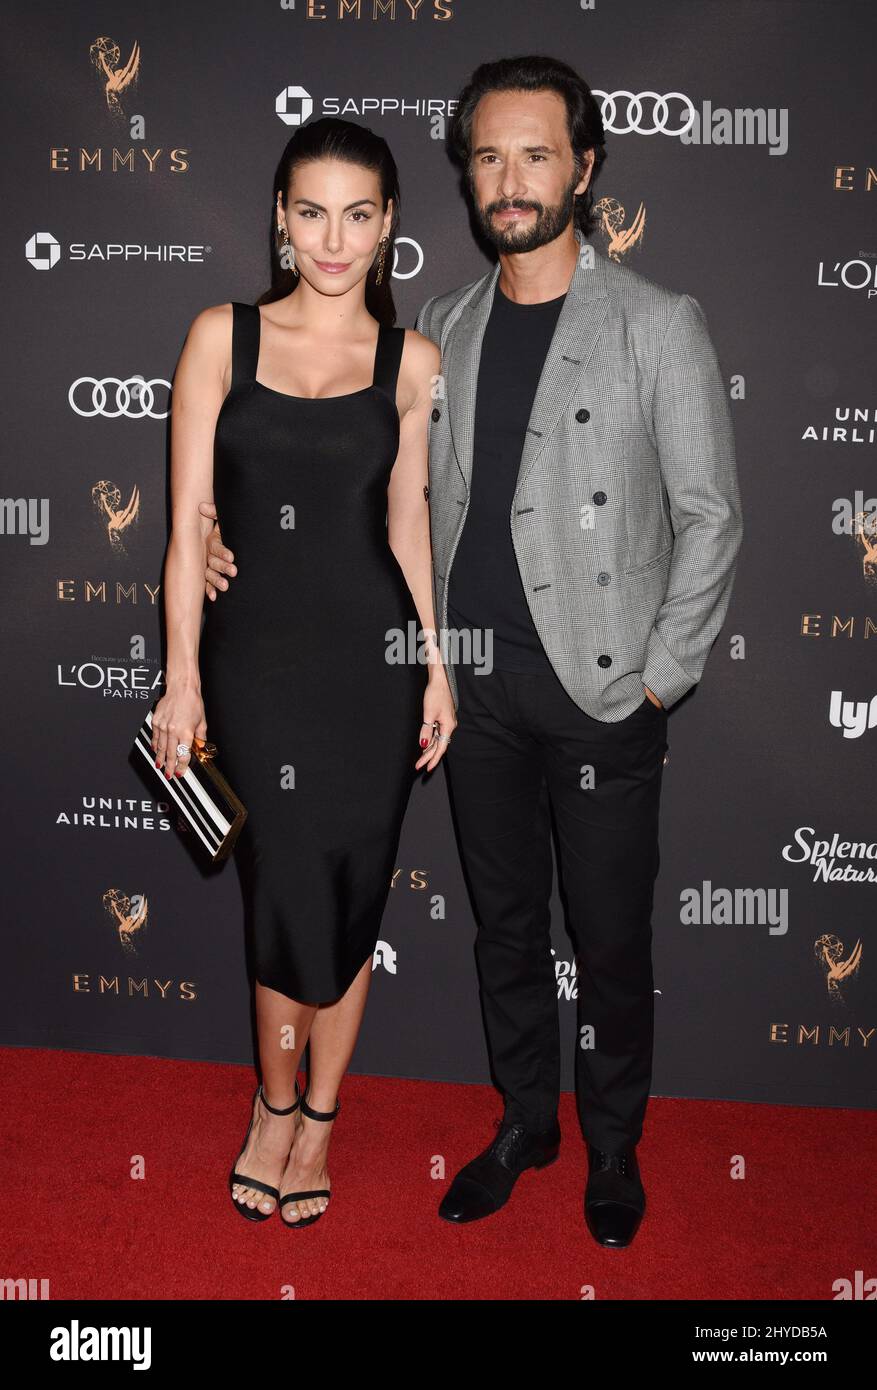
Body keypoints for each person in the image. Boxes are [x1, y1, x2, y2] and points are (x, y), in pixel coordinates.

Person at [202, 55, 743, 1249]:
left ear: (582, 168)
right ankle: (525, 1125)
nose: (510, 179)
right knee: (503, 927)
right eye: (489, 156)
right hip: (468, 688)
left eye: (536, 154)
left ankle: (612, 1148)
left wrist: (660, 675)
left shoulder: (656, 323)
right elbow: (382, 505)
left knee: (607, 939)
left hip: (604, 689)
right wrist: (210, 535)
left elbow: (711, 515)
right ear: (465, 175)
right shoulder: (442, 326)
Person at [152, 116, 454, 1229]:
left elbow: (409, 526)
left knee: (350, 891)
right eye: (312, 212)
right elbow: (187, 527)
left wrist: (435, 665)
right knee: (280, 891)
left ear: (387, 225)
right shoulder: (219, 338)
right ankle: (272, 1103)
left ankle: (318, 1119)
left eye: (357, 215)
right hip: (255, 668)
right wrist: (182, 675)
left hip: (372, 667)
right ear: (281, 218)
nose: (332, 240)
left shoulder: (412, 361)